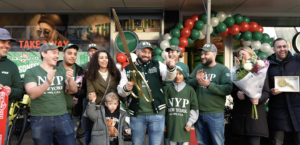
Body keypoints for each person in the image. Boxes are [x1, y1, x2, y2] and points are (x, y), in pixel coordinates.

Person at [117, 41, 176, 145]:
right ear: (137, 51)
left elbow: (169, 77)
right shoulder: (127, 68)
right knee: (137, 143)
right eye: (144, 51)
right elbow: (120, 91)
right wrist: (126, 88)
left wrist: (171, 68)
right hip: (137, 115)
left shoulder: (158, 65)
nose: (147, 54)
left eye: (149, 52)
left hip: (157, 114)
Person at [23, 42, 78, 145]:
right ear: (43, 54)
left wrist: (70, 80)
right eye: (53, 52)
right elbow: (32, 94)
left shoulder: (61, 70)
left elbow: (74, 90)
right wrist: (48, 82)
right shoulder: (31, 72)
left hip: (63, 117)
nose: (57, 56)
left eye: (57, 53)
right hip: (40, 118)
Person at [188, 44, 232, 145]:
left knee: (218, 142)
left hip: (215, 113)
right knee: (202, 142)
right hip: (198, 113)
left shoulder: (222, 69)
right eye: (202, 54)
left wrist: (209, 85)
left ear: (214, 54)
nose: (202, 56)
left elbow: (228, 89)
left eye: (206, 54)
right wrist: (196, 80)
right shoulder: (198, 67)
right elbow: (188, 84)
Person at [231, 47, 270, 145]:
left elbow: (266, 92)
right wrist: (236, 93)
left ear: (251, 56)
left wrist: (259, 99)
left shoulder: (260, 71)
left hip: (255, 119)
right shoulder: (237, 71)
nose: (241, 57)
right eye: (239, 55)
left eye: (243, 54)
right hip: (241, 116)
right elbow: (232, 90)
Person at [82, 50, 121, 145]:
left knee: (111, 134)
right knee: (90, 133)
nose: (104, 60)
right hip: (96, 108)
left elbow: (119, 90)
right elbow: (89, 92)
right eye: (101, 58)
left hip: (111, 108)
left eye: (106, 57)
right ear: (96, 60)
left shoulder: (115, 73)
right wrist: (91, 96)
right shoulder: (91, 74)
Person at [267, 38, 300, 145]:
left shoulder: (298, 60)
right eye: (279, 47)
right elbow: (262, 87)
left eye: (284, 46)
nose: (282, 49)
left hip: (297, 109)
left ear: (288, 47)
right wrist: (270, 91)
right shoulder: (266, 65)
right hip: (277, 111)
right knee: (277, 142)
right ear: (273, 49)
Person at [56, 43, 86, 138]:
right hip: (54, 112)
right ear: (63, 54)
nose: (73, 56)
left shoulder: (81, 71)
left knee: (70, 140)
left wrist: (76, 92)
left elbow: (85, 92)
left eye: (75, 54)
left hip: (74, 113)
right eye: (69, 53)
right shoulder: (53, 67)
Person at [165, 63, 199, 145]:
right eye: (175, 73)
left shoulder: (190, 90)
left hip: (184, 126)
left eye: (180, 74)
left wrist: (190, 123)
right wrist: (164, 124)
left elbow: (194, 108)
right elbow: (164, 108)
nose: (177, 76)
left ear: (184, 75)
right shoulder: (168, 88)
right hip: (171, 126)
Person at [0, 28, 23, 145]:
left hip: (2, 118)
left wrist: (10, 91)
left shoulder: (12, 66)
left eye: (8, 43)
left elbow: (19, 90)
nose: (7, 46)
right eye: (3, 42)